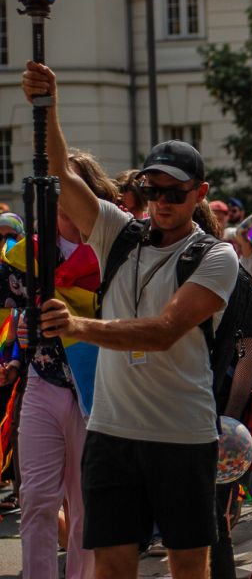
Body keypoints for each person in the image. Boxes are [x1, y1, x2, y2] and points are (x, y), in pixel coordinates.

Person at [24, 61, 239, 579]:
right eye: (153, 190)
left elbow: (164, 331)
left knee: (188, 566)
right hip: (112, 432)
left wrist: (81, 328)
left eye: (175, 192)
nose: (161, 202)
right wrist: (47, 106)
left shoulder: (215, 256)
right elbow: (62, 172)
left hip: (182, 433)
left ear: (199, 193)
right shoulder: (119, 231)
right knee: (113, 566)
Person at [0, 151, 118, 579]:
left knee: (88, 504)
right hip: (44, 380)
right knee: (36, 500)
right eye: (54, 187)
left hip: (99, 388)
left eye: (70, 185)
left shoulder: (114, 247)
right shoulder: (28, 255)